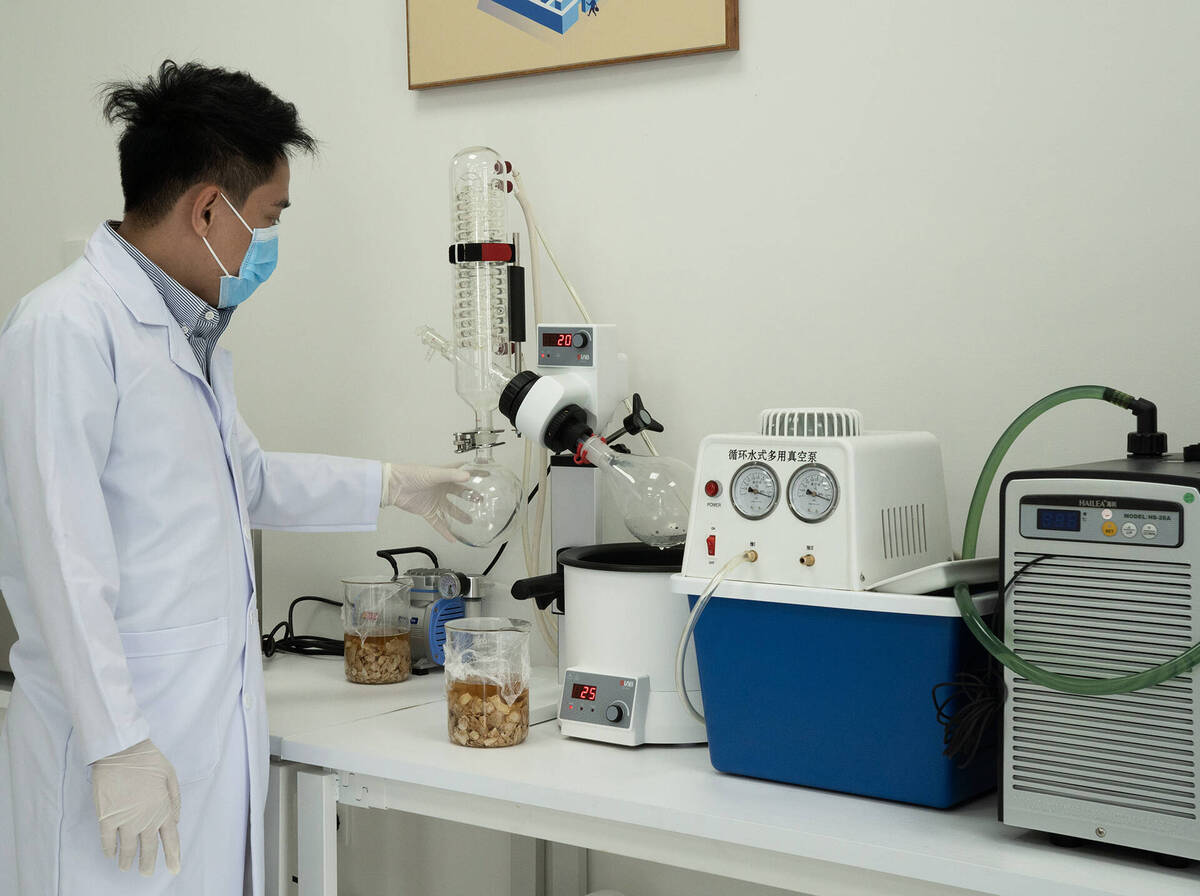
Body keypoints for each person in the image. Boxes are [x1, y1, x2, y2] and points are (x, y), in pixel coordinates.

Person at [0, 60, 469, 895]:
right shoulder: (65, 328)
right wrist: (116, 743)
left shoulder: (191, 335)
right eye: (269, 217)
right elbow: (60, 560)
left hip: (195, 732)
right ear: (209, 209)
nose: (271, 241)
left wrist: (391, 484)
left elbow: (240, 478)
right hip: (113, 752)